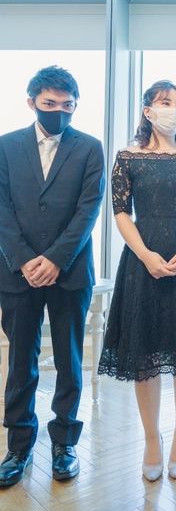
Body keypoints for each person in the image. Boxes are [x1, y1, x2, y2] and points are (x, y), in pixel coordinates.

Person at [98, 80, 176, 481]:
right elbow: (121, 212)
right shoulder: (127, 157)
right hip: (144, 260)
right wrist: (145, 254)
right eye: (165, 101)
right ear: (147, 110)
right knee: (146, 356)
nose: (173, 108)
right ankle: (151, 439)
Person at [0, 66, 105, 487]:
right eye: (49, 104)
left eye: (67, 105)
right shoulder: (6, 145)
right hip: (17, 273)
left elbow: (89, 209)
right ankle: (18, 445)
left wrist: (57, 259)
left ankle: (64, 442)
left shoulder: (90, 148)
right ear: (32, 103)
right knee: (20, 361)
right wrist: (25, 259)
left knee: (69, 360)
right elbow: (1, 209)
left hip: (70, 271)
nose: (58, 111)